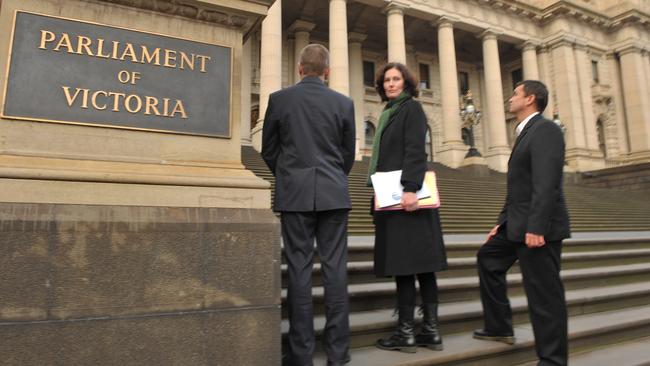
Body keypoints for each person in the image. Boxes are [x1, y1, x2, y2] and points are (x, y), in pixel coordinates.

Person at [261, 44, 355, 366]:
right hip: (334, 193)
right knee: (335, 272)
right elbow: (347, 154)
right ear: (327, 71)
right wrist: (331, 177)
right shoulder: (343, 103)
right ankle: (338, 355)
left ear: (300, 68)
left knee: (299, 273)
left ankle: (301, 356)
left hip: (295, 194)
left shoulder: (279, 99)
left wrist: (289, 175)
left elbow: (268, 149)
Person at [473, 80, 570, 366]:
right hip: (517, 223)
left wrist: (537, 227)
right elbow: (519, 187)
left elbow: (547, 182)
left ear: (530, 99)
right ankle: (499, 326)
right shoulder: (525, 132)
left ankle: (552, 361)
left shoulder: (546, 130)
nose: (510, 97)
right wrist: (501, 223)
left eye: (515, 93)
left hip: (539, 229)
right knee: (488, 259)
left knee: (544, 296)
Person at [369, 62, 448, 353]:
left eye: (396, 79)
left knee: (412, 267)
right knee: (415, 267)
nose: (390, 84)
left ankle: (413, 332)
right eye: (386, 80)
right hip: (395, 198)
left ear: (406, 83)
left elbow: (416, 148)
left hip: (408, 199)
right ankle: (427, 331)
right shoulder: (390, 112)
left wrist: (412, 188)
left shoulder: (410, 109)